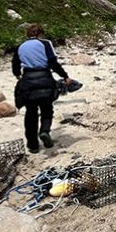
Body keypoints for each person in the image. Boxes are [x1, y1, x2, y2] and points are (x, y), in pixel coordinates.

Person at [12, 24, 71, 154]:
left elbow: (15, 65)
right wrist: (65, 76)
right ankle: (44, 131)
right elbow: (53, 63)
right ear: (41, 34)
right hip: (44, 78)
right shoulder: (45, 43)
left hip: (28, 80)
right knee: (47, 109)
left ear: (28, 34)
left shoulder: (20, 46)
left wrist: (18, 75)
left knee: (30, 113)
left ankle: (32, 145)